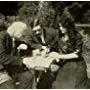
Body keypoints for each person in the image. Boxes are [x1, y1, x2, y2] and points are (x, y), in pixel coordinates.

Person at [49, 12, 89, 89]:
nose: (61, 29)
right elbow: (52, 47)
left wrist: (59, 56)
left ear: (68, 26)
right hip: (65, 64)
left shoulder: (77, 36)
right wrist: (51, 52)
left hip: (77, 65)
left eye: (63, 26)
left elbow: (76, 54)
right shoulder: (60, 37)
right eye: (60, 26)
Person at [0, 21, 34, 89]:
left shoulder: (14, 39)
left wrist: (26, 47)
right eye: (23, 34)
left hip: (9, 68)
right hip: (1, 70)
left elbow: (29, 47)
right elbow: (1, 57)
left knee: (28, 76)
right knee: (8, 85)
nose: (24, 36)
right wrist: (22, 60)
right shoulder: (2, 36)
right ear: (17, 32)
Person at [30, 18, 59, 89]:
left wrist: (50, 48)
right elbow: (30, 43)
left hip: (55, 54)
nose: (37, 33)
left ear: (42, 27)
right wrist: (41, 47)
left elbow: (59, 40)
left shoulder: (52, 32)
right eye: (35, 31)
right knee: (35, 67)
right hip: (41, 55)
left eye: (39, 30)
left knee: (52, 70)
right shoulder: (31, 34)